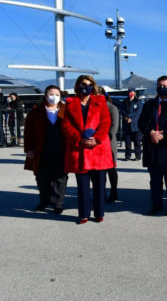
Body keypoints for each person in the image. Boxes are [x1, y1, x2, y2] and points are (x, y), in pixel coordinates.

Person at [62, 75, 114, 224]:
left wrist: (96, 138)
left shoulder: (100, 101)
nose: (87, 87)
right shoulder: (70, 103)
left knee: (99, 185)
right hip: (79, 149)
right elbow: (66, 125)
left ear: (94, 86)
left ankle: (99, 213)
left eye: (90, 84)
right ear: (78, 85)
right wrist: (80, 139)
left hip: (98, 149)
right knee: (82, 186)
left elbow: (106, 122)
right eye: (84, 84)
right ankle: (83, 214)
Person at [138, 76, 167, 216]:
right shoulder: (149, 104)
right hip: (152, 148)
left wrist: (163, 135)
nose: (162, 88)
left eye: (165, 86)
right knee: (155, 180)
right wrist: (151, 132)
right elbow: (141, 123)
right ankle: (156, 205)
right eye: (160, 85)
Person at [24, 85, 68, 214]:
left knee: (60, 178)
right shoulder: (35, 112)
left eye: (57, 94)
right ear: (45, 95)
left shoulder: (66, 110)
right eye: (51, 94)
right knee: (42, 178)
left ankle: (58, 203)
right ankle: (44, 201)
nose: (54, 97)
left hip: (61, 150)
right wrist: (29, 149)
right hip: (41, 150)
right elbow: (28, 132)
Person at [98, 87, 120, 203]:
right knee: (100, 171)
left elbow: (114, 127)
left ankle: (114, 192)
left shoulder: (112, 108)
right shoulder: (94, 108)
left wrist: (103, 138)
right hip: (97, 143)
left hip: (109, 143)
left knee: (111, 170)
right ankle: (101, 193)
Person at [121, 88, 143, 160]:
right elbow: (122, 111)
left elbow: (138, 112)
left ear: (134, 93)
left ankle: (138, 156)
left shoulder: (138, 102)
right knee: (127, 142)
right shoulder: (125, 101)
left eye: (132, 91)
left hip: (136, 125)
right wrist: (126, 117)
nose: (130, 93)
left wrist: (130, 117)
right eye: (129, 92)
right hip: (127, 125)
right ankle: (127, 156)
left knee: (137, 142)